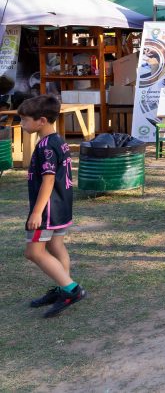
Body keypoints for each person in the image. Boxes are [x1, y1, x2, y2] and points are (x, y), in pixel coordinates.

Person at [19, 95, 86, 317]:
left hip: (47, 211)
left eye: (25, 120)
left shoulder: (46, 147)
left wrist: (37, 212)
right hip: (61, 207)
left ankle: (72, 290)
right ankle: (62, 288)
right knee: (55, 247)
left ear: (42, 121)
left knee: (33, 252)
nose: (22, 124)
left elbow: (48, 180)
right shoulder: (58, 140)